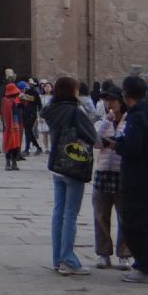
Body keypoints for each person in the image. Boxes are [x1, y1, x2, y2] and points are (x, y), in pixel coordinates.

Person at [43, 77, 98, 275]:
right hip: (73, 164)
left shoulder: (52, 110)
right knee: (70, 215)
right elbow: (92, 136)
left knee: (58, 213)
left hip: (57, 164)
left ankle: (57, 258)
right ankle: (68, 259)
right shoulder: (74, 111)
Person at [116, 74, 148, 284]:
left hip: (138, 177)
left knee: (134, 222)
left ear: (125, 94)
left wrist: (117, 144)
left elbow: (133, 147)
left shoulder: (137, 115)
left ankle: (145, 267)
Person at [92, 87, 132, 270]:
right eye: (107, 100)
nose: (109, 104)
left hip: (122, 172)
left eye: (113, 100)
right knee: (101, 215)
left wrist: (114, 143)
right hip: (103, 171)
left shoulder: (130, 120)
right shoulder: (104, 121)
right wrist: (105, 122)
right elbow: (95, 142)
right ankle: (103, 253)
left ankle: (124, 254)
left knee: (124, 215)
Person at [1, 81, 25, 169]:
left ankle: (14, 162)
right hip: (8, 126)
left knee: (16, 145)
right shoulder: (6, 100)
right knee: (9, 145)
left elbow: (24, 107)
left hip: (16, 126)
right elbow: (4, 113)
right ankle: (8, 162)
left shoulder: (18, 100)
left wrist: (22, 101)